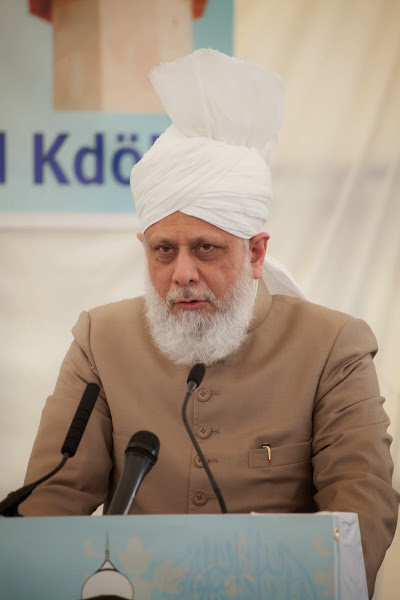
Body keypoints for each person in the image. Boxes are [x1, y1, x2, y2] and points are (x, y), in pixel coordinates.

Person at [21, 49, 398, 598]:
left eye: (205, 248)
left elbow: (361, 514)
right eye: (163, 250)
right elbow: (49, 504)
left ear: (255, 252)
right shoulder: (101, 342)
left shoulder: (332, 348)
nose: (182, 273)